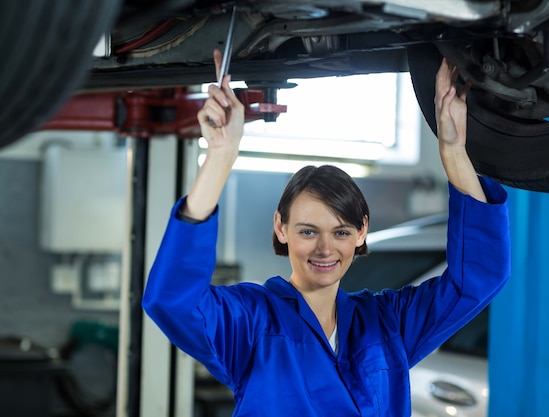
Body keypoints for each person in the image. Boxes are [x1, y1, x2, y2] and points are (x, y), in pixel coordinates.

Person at [142, 50, 511, 416]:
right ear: (280, 228)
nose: (324, 249)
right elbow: (173, 301)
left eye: (341, 232)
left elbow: (477, 278)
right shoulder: (253, 323)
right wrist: (219, 157)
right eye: (307, 230)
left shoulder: (387, 325)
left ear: (362, 232)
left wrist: (453, 150)